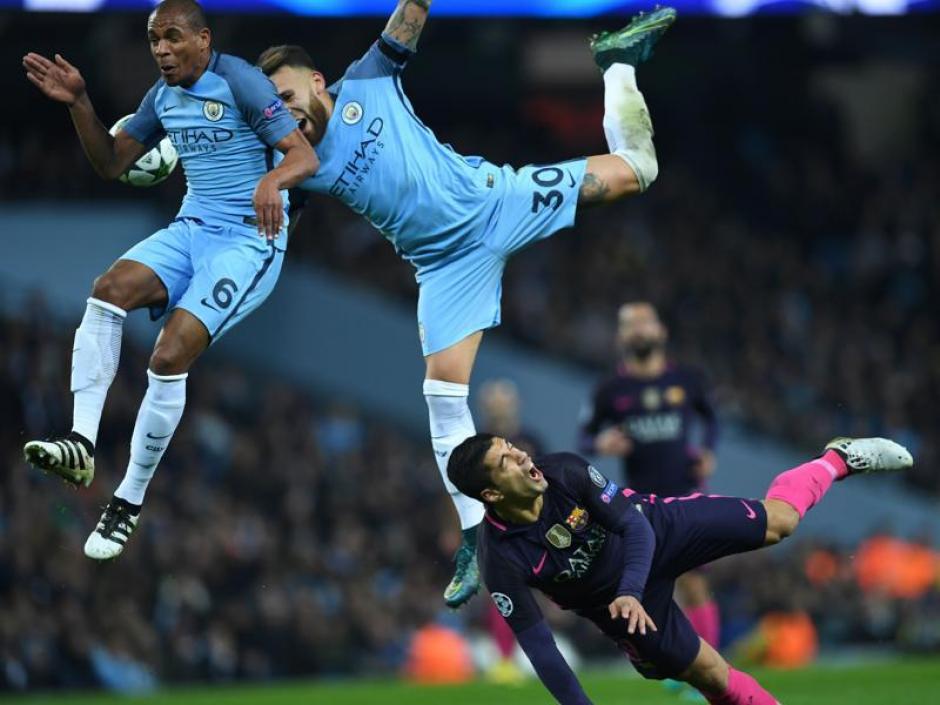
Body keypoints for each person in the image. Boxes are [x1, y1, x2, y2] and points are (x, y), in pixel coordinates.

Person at [258, 1, 676, 606]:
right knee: (442, 394)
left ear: (316, 82)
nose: (286, 109)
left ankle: (615, 63)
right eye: (274, 105)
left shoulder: (370, 78)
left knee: (641, 168)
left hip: (496, 200)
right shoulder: (293, 163)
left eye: (289, 93)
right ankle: (474, 533)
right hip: (446, 267)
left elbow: (412, 12)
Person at [21, 0, 318, 560]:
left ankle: (127, 501)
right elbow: (111, 163)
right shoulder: (161, 99)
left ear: (203, 40)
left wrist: (271, 181)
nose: (160, 49)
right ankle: (81, 442)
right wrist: (80, 102)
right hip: (192, 227)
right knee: (107, 291)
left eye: (172, 37)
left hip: (249, 241)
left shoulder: (242, 82)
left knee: (168, 354)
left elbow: (303, 159)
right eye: (154, 39)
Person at [447, 433, 912, 704]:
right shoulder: (501, 558)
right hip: (624, 611)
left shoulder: (565, 471)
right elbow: (541, 648)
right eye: (507, 460)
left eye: (513, 447)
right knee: (711, 677)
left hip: (657, 530)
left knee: (781, 523)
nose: (523, 456)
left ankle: (838, 459)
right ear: (491, 494)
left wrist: (629, 586)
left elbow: (635, 528)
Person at [580, 302, 722, 652]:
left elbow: (713, 419)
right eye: (630, 324)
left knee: (693, 581)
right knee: (651, 582)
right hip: (639, 503)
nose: (640, 329)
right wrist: (601, 442)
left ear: (661, 331)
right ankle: (674, 660)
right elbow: (584, 437)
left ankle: (713, 662)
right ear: (621, 337)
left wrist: (707, 450)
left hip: (686, 492)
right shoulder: (610, 390)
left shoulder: (687, 380)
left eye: (645, 322)